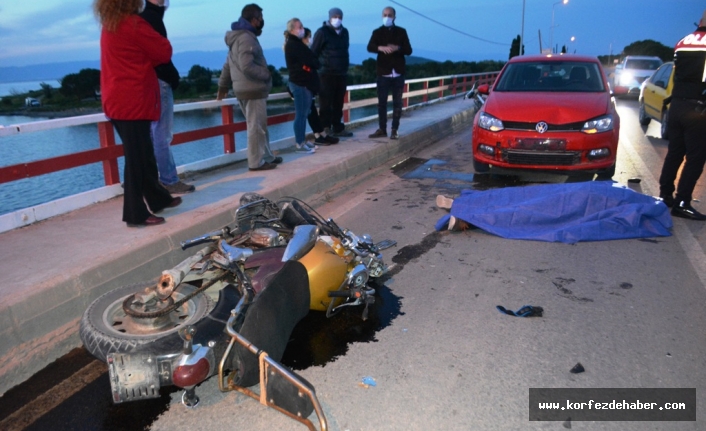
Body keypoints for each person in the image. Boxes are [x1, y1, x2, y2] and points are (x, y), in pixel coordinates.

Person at [95, 0, 181, 227]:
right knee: (136, 159)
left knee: (143, 154)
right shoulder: (132, 24)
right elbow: (164, 52)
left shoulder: (110, 25)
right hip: (132, 101)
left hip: (117, 101)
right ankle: (135, 213)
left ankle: (158, 198)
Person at [217, 3, 282, 171]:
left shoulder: (237, 38)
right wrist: (266, 74)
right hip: (252, 89)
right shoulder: (246, 38)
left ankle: (267, 157)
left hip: (243, 89)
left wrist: (222, 86)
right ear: (254, 20)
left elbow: (228, 65)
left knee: (260, 126)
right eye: (260, 18)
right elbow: (247, 66)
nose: (262, 21)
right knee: (256, 128)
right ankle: (256, 162)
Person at [139, 0, 195, 194]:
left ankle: (150, 179)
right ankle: (169, 180)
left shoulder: (144, 18)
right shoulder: (151, 18)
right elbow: (160, 54)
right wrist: (172, 76)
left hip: (150, 84)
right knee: (162, 134)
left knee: (152, 133)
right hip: (160, 82)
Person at [658, 9, 706, 220]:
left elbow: (679, 70)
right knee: (696, 157)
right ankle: (683, 202)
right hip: (698, 108)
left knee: (675, 152)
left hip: (677, 105)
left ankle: (665, 194)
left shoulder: (682, 41)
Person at [366, 6, 413, 140]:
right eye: (385, 15)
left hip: (398, 73)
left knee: (397, 103)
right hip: (383, 73)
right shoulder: (377, 32)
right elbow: (370, 47)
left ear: (394, 17)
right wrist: (380, 47)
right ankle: (382, 129)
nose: (387, 17)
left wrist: (397, 48)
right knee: (382, 103)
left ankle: (394, 129)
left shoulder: (401, 32)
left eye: (390, 15)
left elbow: (409, 50)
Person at [311, 7, 353, 138]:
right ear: (329, 17)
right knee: (325, 103)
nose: (338, 19)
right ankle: (325, 128)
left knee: (338, 103)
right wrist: (319, 68)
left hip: (341, 74)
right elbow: (314, 52)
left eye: (340, 17)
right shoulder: (322, 32)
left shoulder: (345, 32)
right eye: (335, 16)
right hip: (326, 74)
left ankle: (338, 127)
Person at [284, 18, 319, 154]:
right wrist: (311, 64)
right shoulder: (294, 45)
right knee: (301, 115)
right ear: (292, 30)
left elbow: (312, 60)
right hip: (299, 84)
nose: (302, 29)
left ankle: (302, 141)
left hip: (304, 84)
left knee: (304, 114)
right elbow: (311, 60)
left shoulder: (297, 44)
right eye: (300, 27)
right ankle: (299, 143)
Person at [302, 27, 339, 146]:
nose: (310, 39)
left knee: (312, 111)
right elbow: (310, 66)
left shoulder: (306, 50)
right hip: (303, 85)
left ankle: (321, 134)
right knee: (309, 112)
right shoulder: (300, 51)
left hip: (310, 84)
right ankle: (317, 136)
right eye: (308, 36)